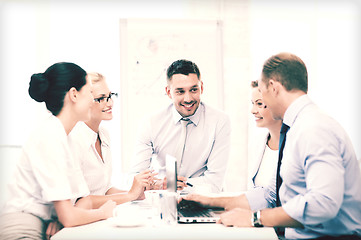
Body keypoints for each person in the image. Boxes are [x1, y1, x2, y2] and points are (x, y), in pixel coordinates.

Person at [184, 53, 361, 239]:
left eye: (262, 94)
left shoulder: (313, 129)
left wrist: (255, 218)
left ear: (273, 88)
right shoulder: (296, 128)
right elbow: (271, 195)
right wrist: (210, 202)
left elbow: (323, 204)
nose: (259, 106)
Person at [0, 62, 116, 240]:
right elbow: (69, 216)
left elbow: (82, 201)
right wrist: (102, 213)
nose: (92, 102)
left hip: (46, 225)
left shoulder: (65, 136)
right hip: (24, 228)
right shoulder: (50, 136)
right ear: (74, 95)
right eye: (89, 94)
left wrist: (67, 217)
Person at [131, 59, 231, 193]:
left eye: (193, 90)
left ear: (201, 87)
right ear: (168, 92)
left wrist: (172, 184)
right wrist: (159, 184)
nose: (188, 98)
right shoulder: (151, 124)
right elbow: (136, 178)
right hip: (163, 200)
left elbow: (214, 182)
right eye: (180, 91)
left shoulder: (220, 121)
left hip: (205, 201)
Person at [69, 72, 155, 206]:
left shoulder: (103, 134)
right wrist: (130, 195)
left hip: (96, 213)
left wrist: (137, 192)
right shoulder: (74, 139)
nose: (110, 103)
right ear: (85, 101)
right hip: (80, 216)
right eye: (101, 98)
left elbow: (105, 190)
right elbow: (79, 201)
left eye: (110, 96)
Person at [248, 80, 282, 189]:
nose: (253, 111)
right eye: (253, 103)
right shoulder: (258, 143)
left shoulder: (294, 143)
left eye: (259, 104)